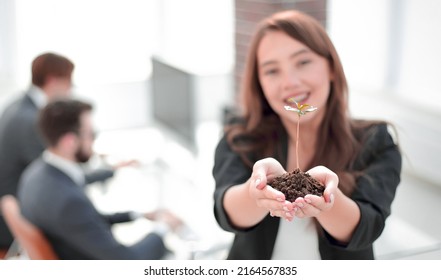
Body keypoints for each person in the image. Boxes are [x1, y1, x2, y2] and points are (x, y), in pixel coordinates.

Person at [212, 10, 401, 260]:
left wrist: (327, 201)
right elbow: (226, 212)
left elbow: (367, 227)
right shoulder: (240, 136)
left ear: (331, 67)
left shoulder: (375, 141)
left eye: (303, 62)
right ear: (260, 83)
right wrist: (256, 192)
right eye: (272, 71)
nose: (289, 82)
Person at [17, 99, 184, 259]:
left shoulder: (35, 174)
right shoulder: (68, 202)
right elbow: (126, 261)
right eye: (91, 133)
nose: (94, 140)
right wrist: (163, 229)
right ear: (69, 141)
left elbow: (87, 221)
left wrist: (138, 215)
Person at [0, 52, 75, 250]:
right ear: (52, 80)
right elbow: (56, 173)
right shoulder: (31, 120)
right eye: (69, 82)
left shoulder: (18, 104)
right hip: (14, 218)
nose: (71, 90)